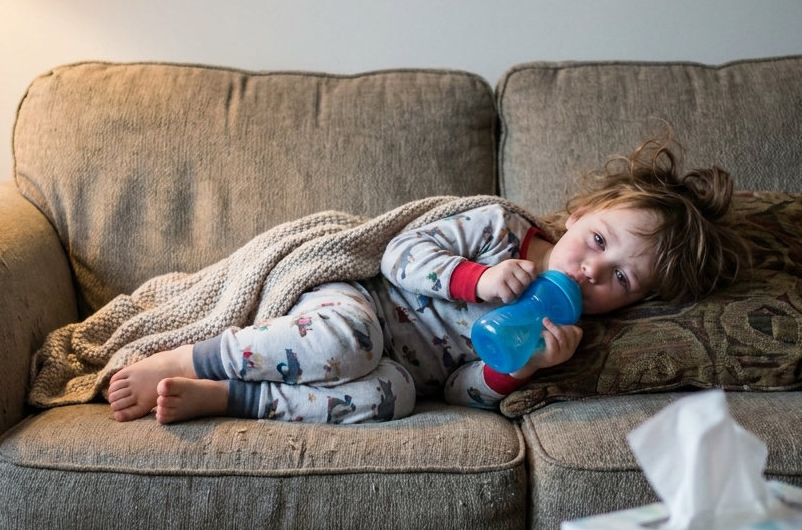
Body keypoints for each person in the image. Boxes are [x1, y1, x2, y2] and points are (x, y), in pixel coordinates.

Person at [106, 136, 750, 424]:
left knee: (394, 398)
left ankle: (230, 397)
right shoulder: (499, 230)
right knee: (349, 341)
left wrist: (516, 369)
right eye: (599, 242)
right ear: (580, 215)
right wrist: (477, 280)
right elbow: (399, 254)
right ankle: (190, 355)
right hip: (361, 304)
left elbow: (462, 388)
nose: (590, 270)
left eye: (620, 280)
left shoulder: (561, 331)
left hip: (403, 372)